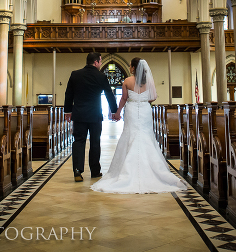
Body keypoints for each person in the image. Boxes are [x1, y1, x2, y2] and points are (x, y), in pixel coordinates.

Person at [91, 57, 187, 194]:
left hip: (131, 109)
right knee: (146, 136)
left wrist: (117, 113)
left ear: (134, 68)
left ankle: (127, 171)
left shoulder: (127, 81)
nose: (129, 68)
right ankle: (152, 169)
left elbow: (124, 98)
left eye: (130, 66)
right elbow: (153, 97)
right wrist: (142, 99)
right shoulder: (149, 82)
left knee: (130, 135)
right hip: (145, 110)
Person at [64, 52, 118, 182]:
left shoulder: (75, 74)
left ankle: (77, 171)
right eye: (100, 61)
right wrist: (114, 111)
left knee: (78, 141)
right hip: (95, 115)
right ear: (96, 62)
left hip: (79, 115)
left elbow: (68, 94)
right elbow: (109, 94)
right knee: (95, 142)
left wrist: (67, 111)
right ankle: (95, 171)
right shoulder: (101, 76)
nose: (100, 63)